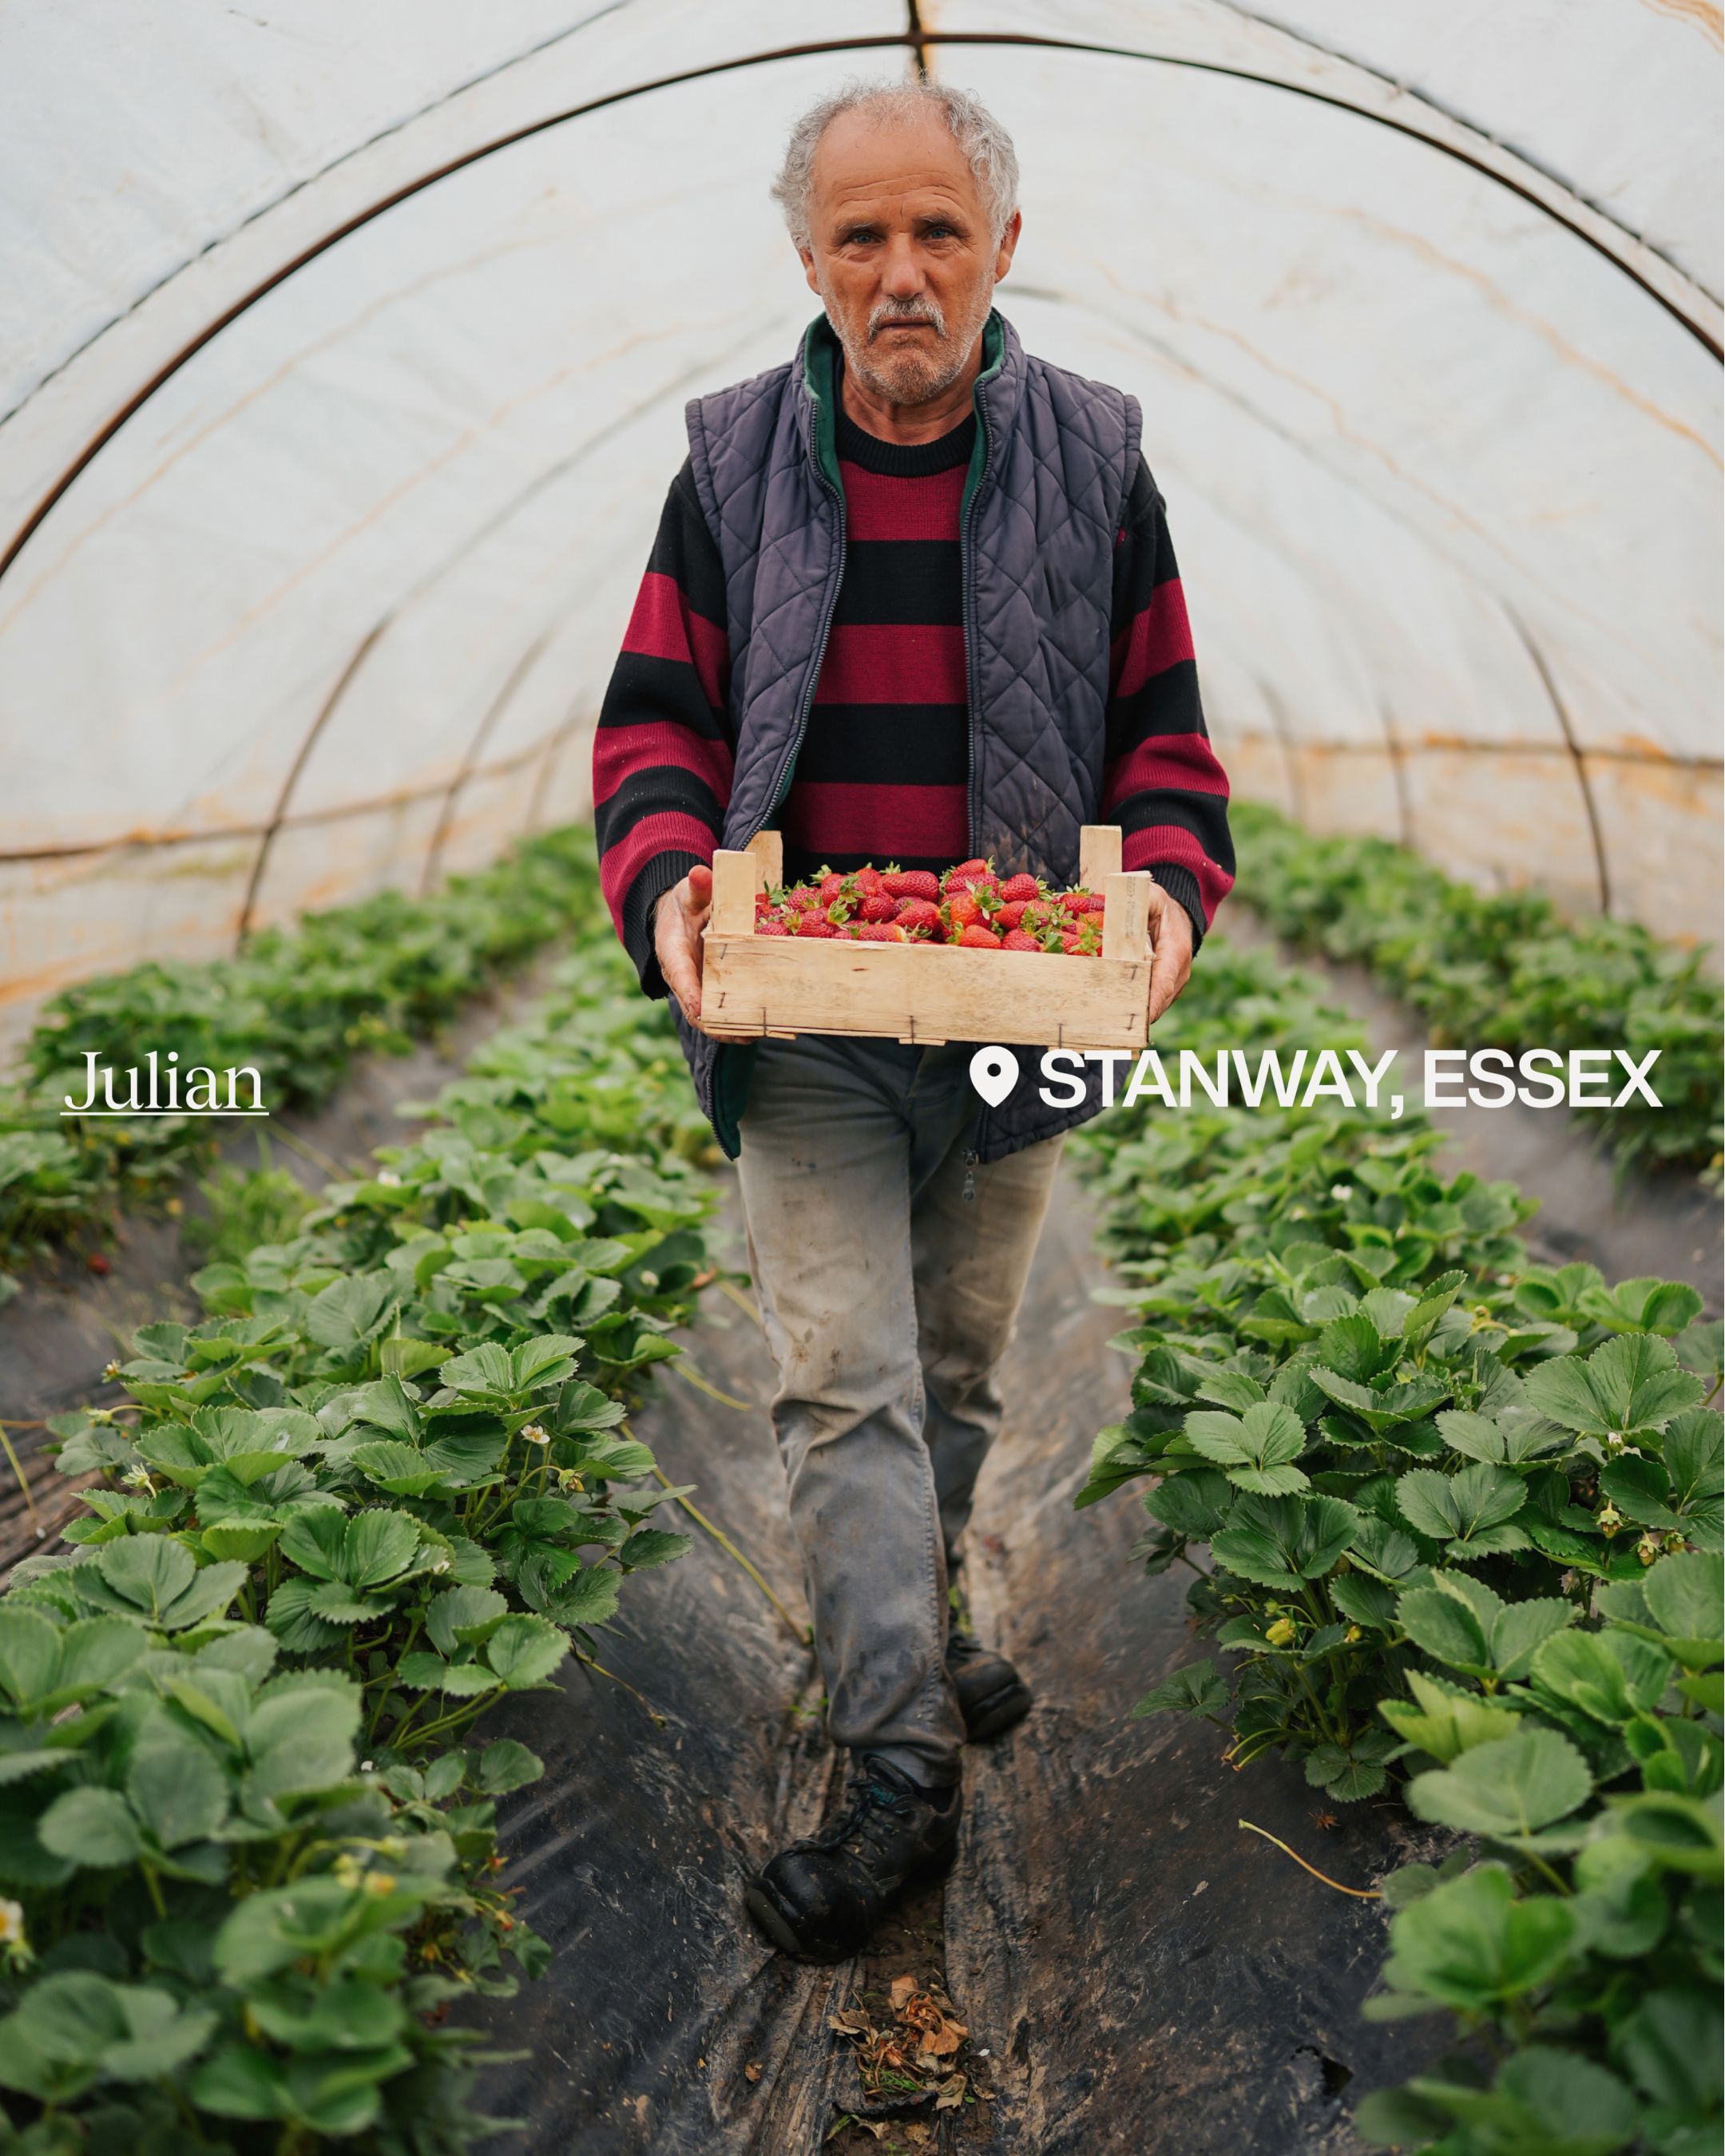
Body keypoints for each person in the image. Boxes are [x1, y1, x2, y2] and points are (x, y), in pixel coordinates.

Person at [593, 77, 1233, 1961]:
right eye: (859, 236)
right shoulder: (728, 466)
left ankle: (921, 1608)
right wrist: (672, 882)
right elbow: (654, 732)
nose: (899, 271)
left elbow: (1170, 749)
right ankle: (895, 1768)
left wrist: (1167, 905)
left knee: (956, 1373)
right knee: (841, 1381)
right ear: (808, 257)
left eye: (935, 230)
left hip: (1019, 997)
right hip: (808, 1008)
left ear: (1002, 248)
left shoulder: (1097, 458)